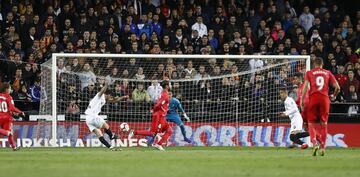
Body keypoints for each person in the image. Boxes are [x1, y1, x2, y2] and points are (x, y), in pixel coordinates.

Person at [301, 57, 340, 156]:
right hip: (324, 99)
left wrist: (302, 100)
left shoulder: (309, 73)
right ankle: (322, 147)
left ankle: (314, 144)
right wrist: (334, 96)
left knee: (311, 123)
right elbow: (338, 87)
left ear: (314, 64)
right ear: (322, 64)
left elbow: (305, 86)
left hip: (313, 98)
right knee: (324, 124)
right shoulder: (328, 72)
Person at [128, 80, 172, 151]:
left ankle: (158, 144)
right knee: (152, 133)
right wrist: (154, 110)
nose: (170, 85)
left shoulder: (164, 93)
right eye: (169, 84)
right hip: (159, 116)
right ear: (167, 86)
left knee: (169, 130)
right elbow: (158, 104)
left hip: (162, 116)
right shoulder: (165, 95)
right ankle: (134, 132)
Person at [84, 81, 122, 151]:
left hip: (88, 119)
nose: (110, 98)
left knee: (99, 134)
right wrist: (106, 85)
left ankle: (110, 147)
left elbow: (114, 101)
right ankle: (112, 136)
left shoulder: (104, 100)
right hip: (92, 116)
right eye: (110, 96)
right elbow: (102, 91)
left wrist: (123, 97)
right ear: (108, 94)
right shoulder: (99, 95)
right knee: (106, 126)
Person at [0, 83, 25, 151]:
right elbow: (12, 108)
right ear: (6, 89)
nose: (11, 90)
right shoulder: (9, 97)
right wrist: (20, 112)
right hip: (7, 118)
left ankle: (7, 134)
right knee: (9, 133)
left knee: (7, 132)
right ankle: (14, 147)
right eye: (10, 88)